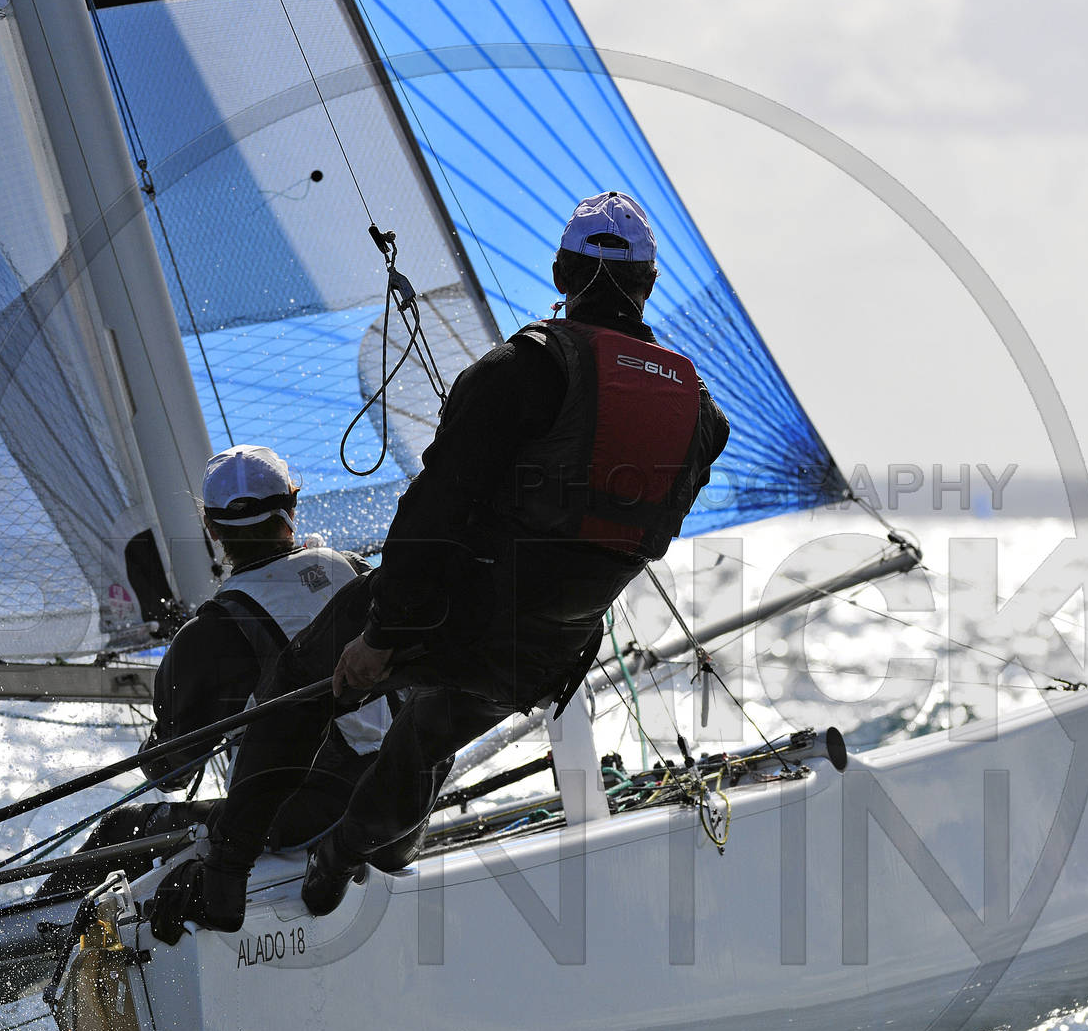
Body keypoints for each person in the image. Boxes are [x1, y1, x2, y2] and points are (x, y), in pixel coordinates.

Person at [151, 190, 729, 938]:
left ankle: (226, 875)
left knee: (297, 686)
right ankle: (341, 858)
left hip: (457, 613)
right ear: (649, 283)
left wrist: (383, 637)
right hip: (549, 650)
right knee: (425, 738)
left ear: (561, 272)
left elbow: (433, 515)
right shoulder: (702, 415)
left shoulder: (520, 369)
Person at [49, 445, 389, 899]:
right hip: (393, 798)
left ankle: (26, 933)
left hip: (301, 821)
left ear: (209, 526)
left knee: (120, 830)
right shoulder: (354, 571)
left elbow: (170, 774)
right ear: (292, 507)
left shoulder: (211, 631)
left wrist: (161, 739)